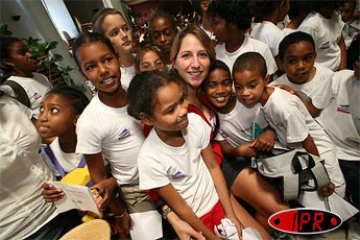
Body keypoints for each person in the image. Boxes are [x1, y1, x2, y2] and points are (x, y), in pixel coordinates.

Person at [169, 24, 271, 240]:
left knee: (269, 217)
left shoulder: (205, 93)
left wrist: (272, 90)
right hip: (203, 184)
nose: (195, 63)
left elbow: (237, 95)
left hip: (221, 165)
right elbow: (154, 162)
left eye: (202, 55)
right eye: (186, 55)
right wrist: (169, 213)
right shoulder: (169, 105)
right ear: (174, 61)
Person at [126, 70, 242, 240]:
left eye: (181, 100)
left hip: (218, 203)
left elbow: (213, 167)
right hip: (195, 220)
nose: (182, 111)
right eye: (170, 110)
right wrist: (211, 237)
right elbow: (180, 207)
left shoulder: (195, 122)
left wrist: (230, 214)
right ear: (148, 119)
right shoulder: (149, 158)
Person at [72, 32, 159, 238]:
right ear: (83, 74)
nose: (102, 70)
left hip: (168, 173)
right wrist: (119, 212)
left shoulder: (137, 89)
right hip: (137, 191)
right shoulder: (89, 122)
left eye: (107, 59)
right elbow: (99, 179)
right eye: (91, 67)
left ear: (118, 58)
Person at [232, 51, 345, 199]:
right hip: (299, 158)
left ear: (266, 80)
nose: (244, 93)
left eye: (252, 85)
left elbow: (308, 141)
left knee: (334, 203)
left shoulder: (283, 107)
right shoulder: (260, 100)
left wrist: (322, 178)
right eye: (239, 87)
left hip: (319, 156)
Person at [201, 60, 289, 232]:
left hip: (265, 160)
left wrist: (269, 133)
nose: (220, 90)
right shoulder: (210, 113)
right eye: (212, 85)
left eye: (226, 83)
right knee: (280, 212)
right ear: (203, 89)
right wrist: (238, 151)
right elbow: (223, 145)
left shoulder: (247, 102)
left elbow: (271, 124)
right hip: (235, 164)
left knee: (268, 214)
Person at [0, 89, 81, 239]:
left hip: (65, 206)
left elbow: (48, 134)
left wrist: (83, 159)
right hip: (22, 231)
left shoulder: (8, 102)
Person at [207, 0, 278, 81]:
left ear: (232, 24)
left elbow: (269, 84)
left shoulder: (260, 49)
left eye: (215, 24)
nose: (212, 30)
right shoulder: (215, 53)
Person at [272, 31, 335, 118]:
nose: (300, 66)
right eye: (292, 61)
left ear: (314, 57)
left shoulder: (329, 77)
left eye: (307, 58)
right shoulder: (275, 88)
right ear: (281, 63)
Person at [0, 36, 53, 120]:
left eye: (28, 51)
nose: (30, 55)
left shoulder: (41, 77)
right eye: (22, 53)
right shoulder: (11, 88)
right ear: (8, 61)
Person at [92, 8, 135, 91]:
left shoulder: (145, 60)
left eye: (125, 28)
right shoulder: (111, 78)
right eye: (115, 33)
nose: (124, 35)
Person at [298, 1, 347, 71]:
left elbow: (340, 42)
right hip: (320, 75)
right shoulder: (310, 25)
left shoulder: (335, 15)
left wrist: (342, 72)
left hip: (336, 73)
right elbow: (302, 57)